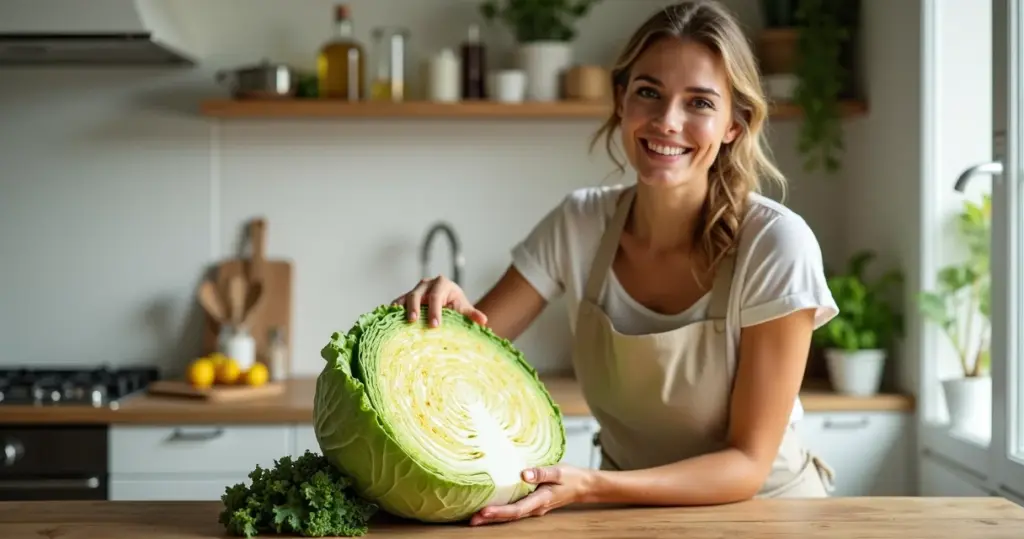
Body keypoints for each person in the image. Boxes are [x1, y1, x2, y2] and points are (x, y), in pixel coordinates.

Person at [392, 0, 839, 526]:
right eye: (649, 92)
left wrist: (590, 486)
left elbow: (746, 464)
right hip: (625, 515)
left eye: (699, 103)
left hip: (765, 515)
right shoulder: (579, 223)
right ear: (621, 101)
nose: (667, 122)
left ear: (734, 125)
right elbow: (474, 352)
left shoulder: (776, 245)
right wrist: (451, 317)